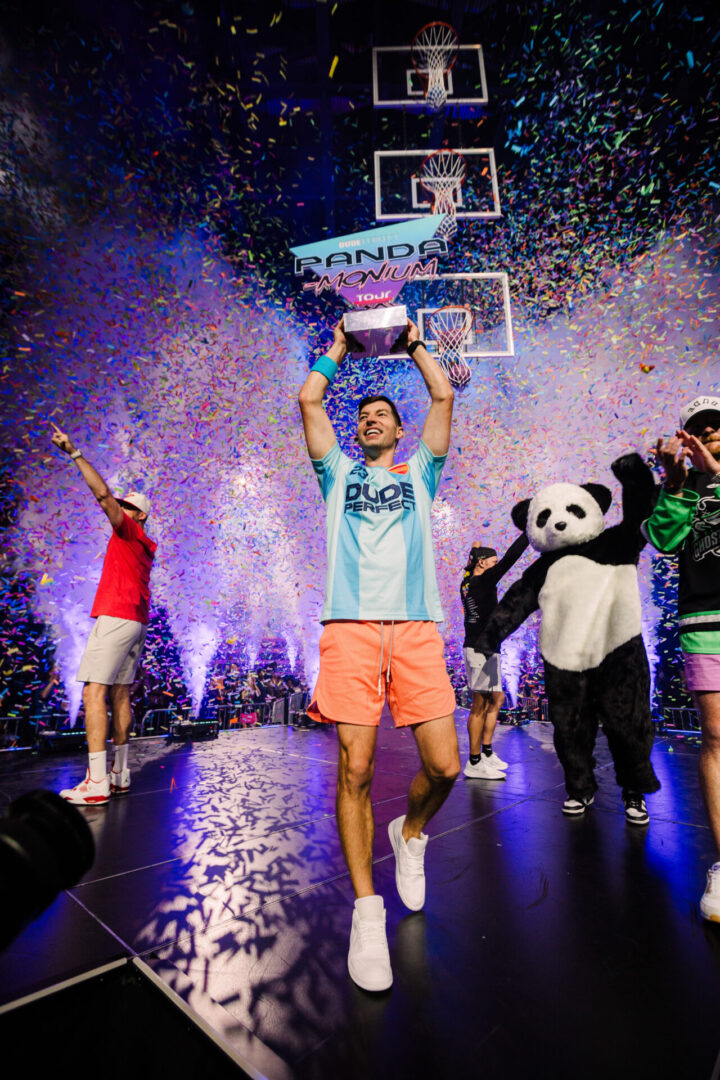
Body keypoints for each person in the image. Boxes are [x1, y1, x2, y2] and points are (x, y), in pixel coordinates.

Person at [298, 318, 460, 993]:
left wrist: (414, 342)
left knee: (445, 766)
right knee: (354, 769)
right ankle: (368, 911)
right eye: (363, 415)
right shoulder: (334, 473)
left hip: (418, 627)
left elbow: (444, 399)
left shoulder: (423, 471)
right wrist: (339, 342)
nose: (370, 420)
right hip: (351, 628)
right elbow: (309, 401)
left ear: (399, 432)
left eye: (382, 415)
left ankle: (411, 832)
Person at [51, 423, 156, 806]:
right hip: (136, 620)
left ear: (138, 516)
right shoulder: (145, 543)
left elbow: (102, 495)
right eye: (124, 506)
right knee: (121, 693)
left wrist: (74, 452)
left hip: (116, 617)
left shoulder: (129, 531)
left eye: (129, 508)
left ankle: (96, 784)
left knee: (94, 691)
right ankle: (120, 773)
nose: (121, 510)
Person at [643, 395, 720, 920]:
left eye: (718, 425)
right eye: (701, 428)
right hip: (706, 622)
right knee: (717, 737)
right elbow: (663, 539)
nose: (711, 432)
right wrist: (677, 484)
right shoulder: (683, 485)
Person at [460, 536, 528, 779]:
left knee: (496, 698)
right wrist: (528, 534)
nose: (497, 565)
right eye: (493, 562)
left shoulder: (469, 579)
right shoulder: (483, 581)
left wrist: (475, 548)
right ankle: (474, 761)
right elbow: (512, 558)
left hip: (488, 648)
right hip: (479, 649)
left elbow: (473, 561)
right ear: (481, 564)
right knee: (479, 705)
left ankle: (486, 752)